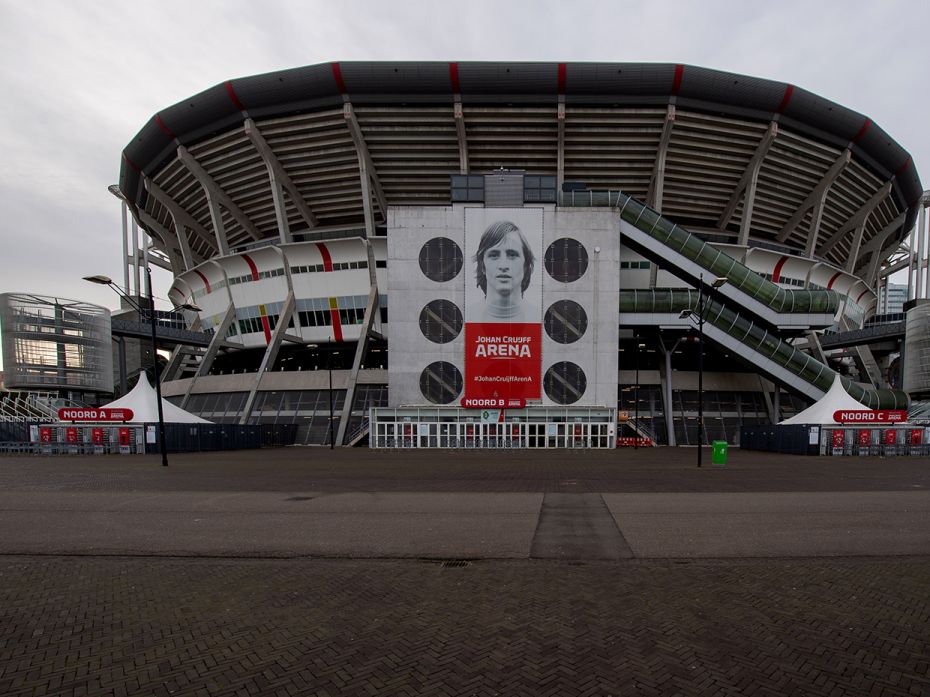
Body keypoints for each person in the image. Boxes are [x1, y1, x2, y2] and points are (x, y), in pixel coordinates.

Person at [471, 220, 536, 323]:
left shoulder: (538, 318)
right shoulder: (468, 317)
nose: (503, 266)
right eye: (494, 255)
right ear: (482, 266)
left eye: (512, 255)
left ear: (525, 266)